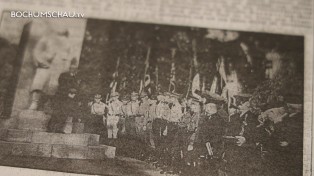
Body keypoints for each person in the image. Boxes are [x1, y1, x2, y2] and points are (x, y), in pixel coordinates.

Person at [29, 28, 71, 110]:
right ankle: (34, 102)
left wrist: (65, 66)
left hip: (57, 66)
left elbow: (67, 56)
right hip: (45, 65)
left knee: (53, 85)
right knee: (39, 82)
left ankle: (47, 104)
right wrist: (41, 61)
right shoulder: (47, 38)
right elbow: (37, 50)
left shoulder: (66, 42)